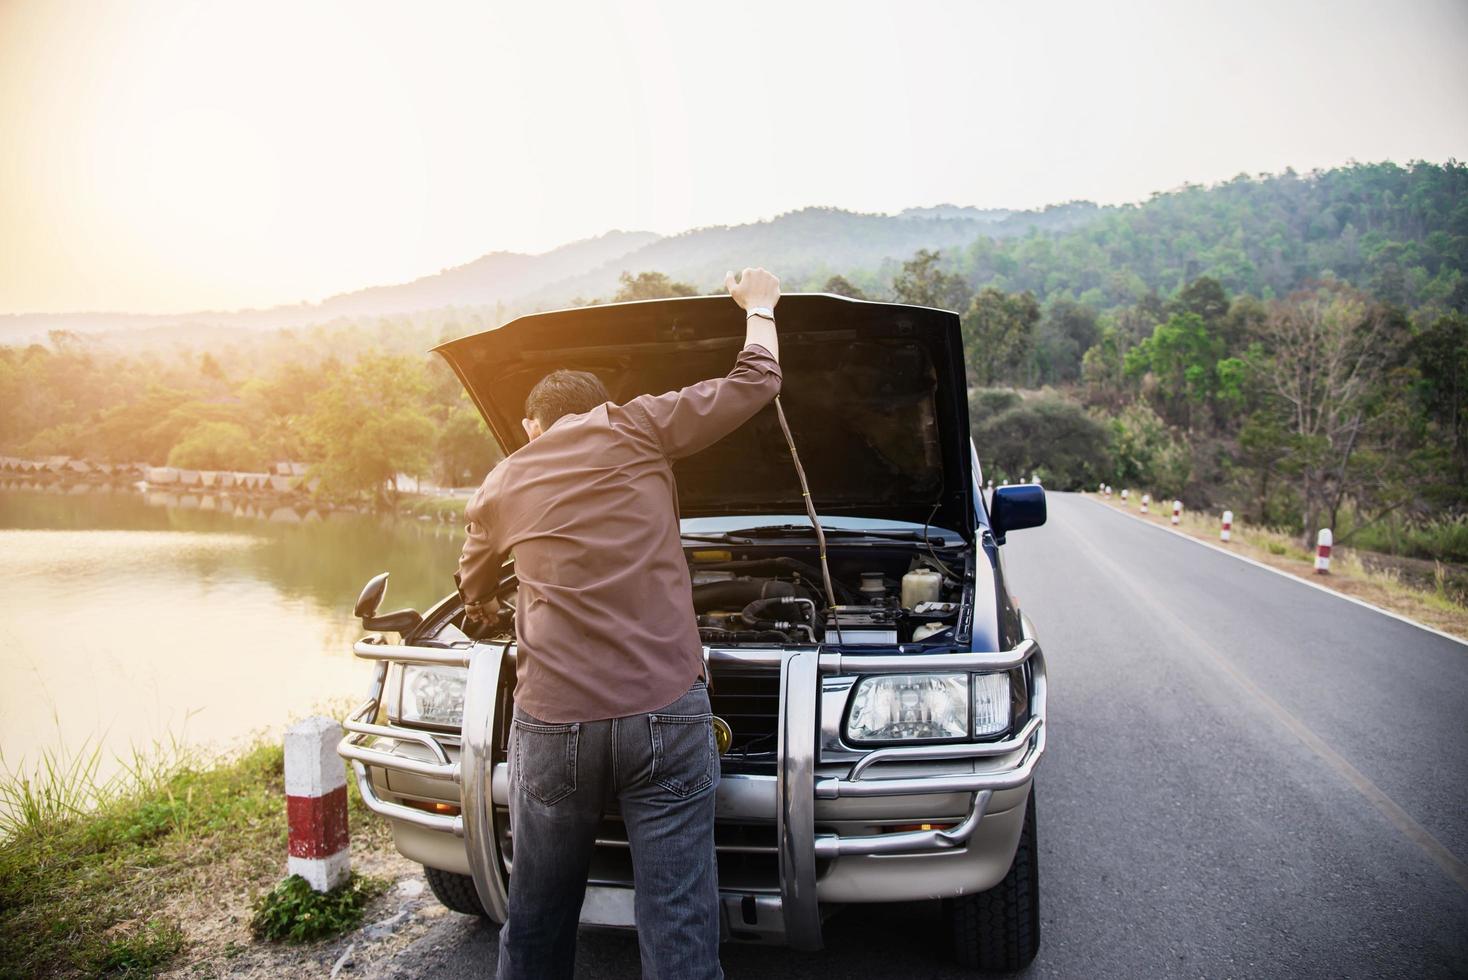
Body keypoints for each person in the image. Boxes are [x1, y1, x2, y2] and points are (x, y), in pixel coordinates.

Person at [456, 267, 783, 980]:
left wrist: (483, 604)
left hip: (554, 727)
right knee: (677, 917)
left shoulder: (503, 481)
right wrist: (759, 305)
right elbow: (756, 379)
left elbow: (472, 581)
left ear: (530, 427)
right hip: (664, 712)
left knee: (538, 910)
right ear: (604, 406)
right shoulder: (638, 424)